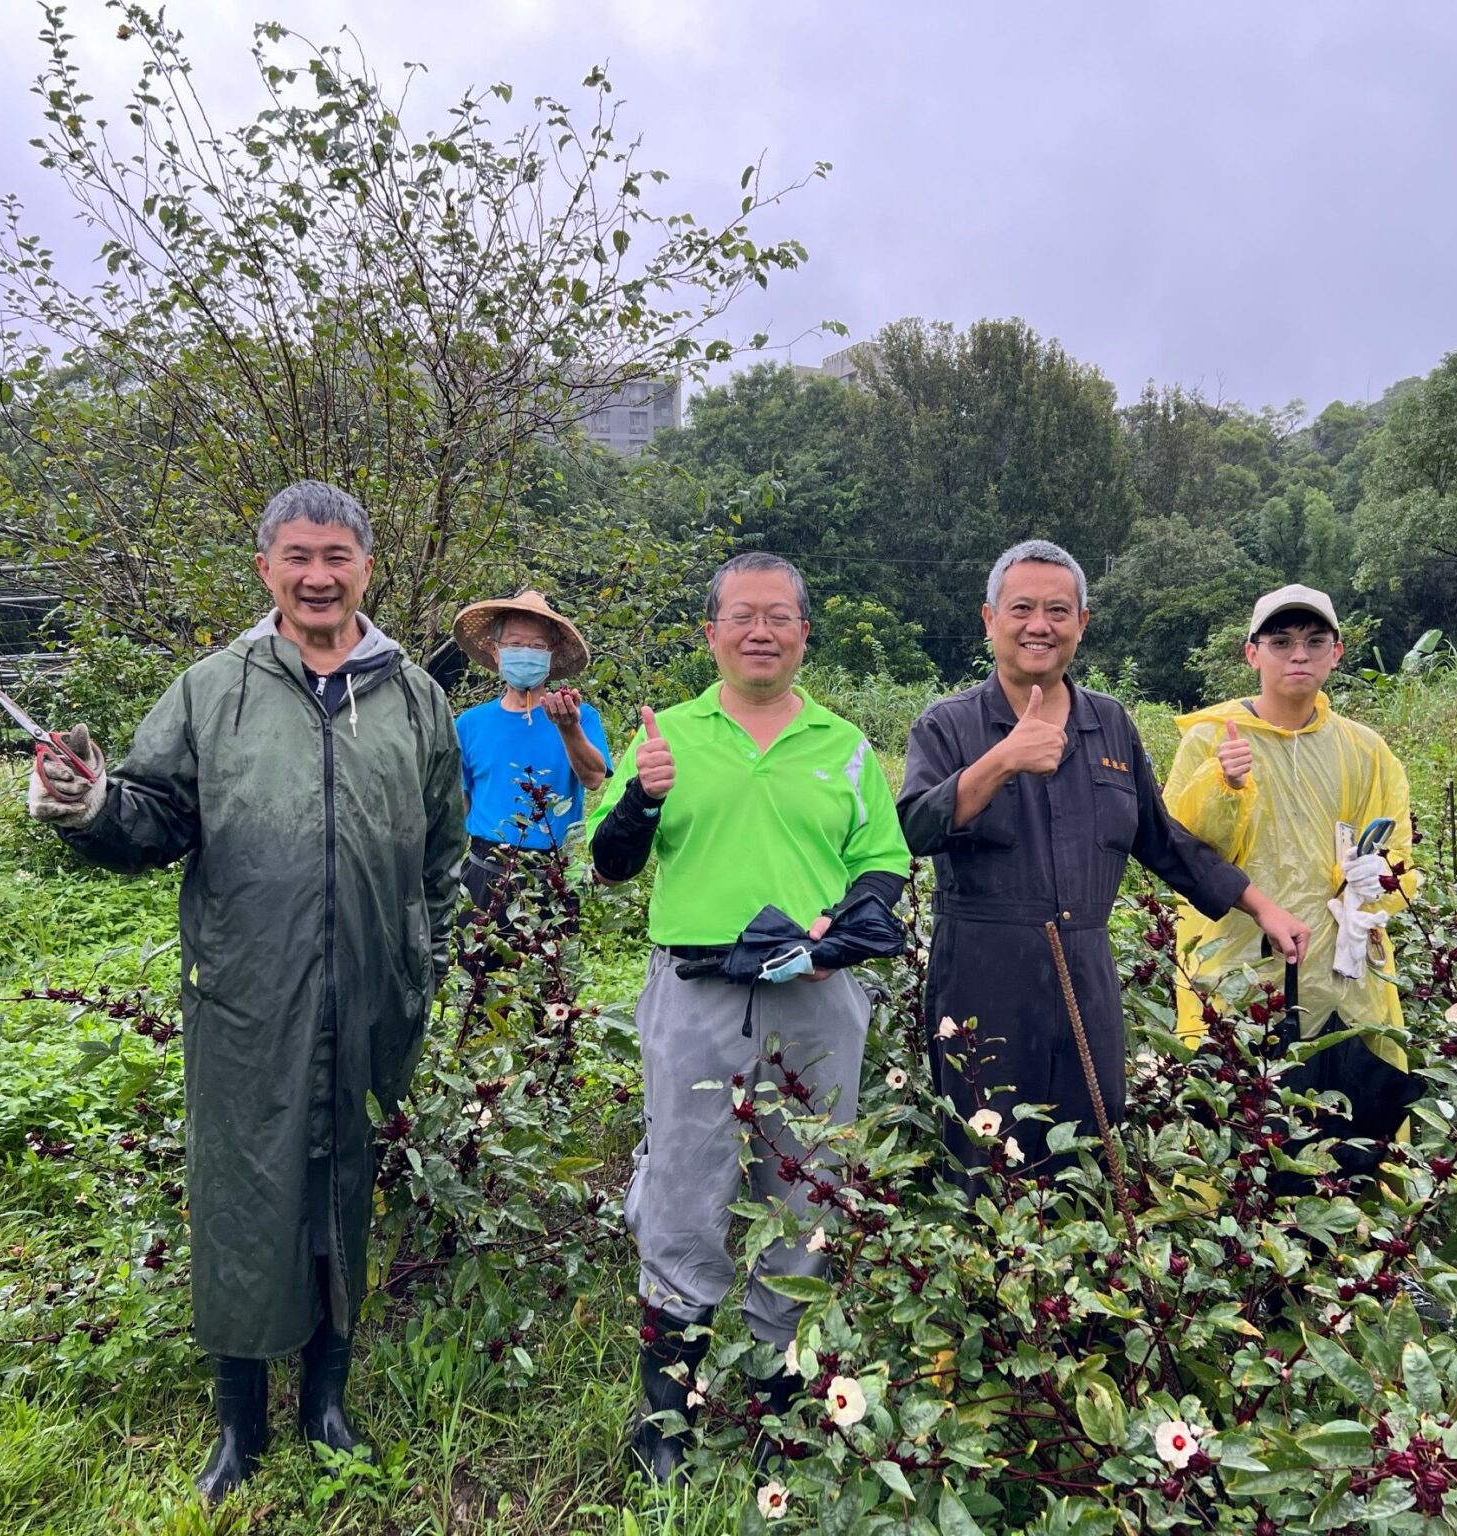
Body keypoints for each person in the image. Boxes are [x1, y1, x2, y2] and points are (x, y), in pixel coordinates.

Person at [25, 481, 465, 1503]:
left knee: (343, 1191)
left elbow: (442, 855)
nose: (318, 576)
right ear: (266, 567)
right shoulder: (210, 689)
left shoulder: (412, 697)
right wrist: (89, 805)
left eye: (337, 556)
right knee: (244, 1196)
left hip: (370, 995)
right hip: (245, 997)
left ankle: (326, 1401)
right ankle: (238, 1422)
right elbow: (151, 817)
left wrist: (420, 964)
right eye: (297, 556)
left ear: (367, 566)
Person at [585, 552, 911, 1483]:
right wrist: (642, 799)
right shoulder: (668, 735)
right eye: (742, 616)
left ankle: (785, 1403)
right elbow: (610, 865)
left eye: (780, 617)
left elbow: (882, 863)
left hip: (817, 996)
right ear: (712, 632)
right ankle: (668, 1422)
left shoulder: (843, 744)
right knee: (686, 1180)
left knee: (807, 1185)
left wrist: (845, 918)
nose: (760, 631)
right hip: (697, 995)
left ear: (806, 633)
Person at [897, 540, 1309, 1173]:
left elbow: (1160, 837)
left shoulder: (1109, 724)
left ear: (1082, 624)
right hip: (984, 975)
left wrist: (1260, 906)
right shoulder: (949, 725)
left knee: (1089, 1146)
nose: (1040, 625)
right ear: (989, 620)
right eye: (1022, 609)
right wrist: (1003, 759)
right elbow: (915, 827)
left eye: (1059, 611)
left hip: (1085, 974)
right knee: (986, 1156)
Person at [1163, 585, 1418, 1150]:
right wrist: (1223, 785)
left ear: (1337, 652)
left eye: (1313, 641)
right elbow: (1183, 850)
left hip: (1344, 976)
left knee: (1352, 1138)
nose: (1297, 655)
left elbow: (1397, 848)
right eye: (1280, 642)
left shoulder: (1364, 749)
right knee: (1241, 1135)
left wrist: (1379, 882)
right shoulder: (1212, 739)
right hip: (1240, 970)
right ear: (1252, 653)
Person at [450, 589, 609, 912]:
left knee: (551, 962)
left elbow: (593, 778)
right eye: (515, 644)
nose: (526, 653)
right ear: (496, 652)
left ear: (552, 655)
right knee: (478, 962)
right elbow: (460, 804)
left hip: (552, 875)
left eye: (537, 646)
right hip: (484, 872)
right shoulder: (470, 724)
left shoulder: (580, 716)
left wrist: (568, 727)